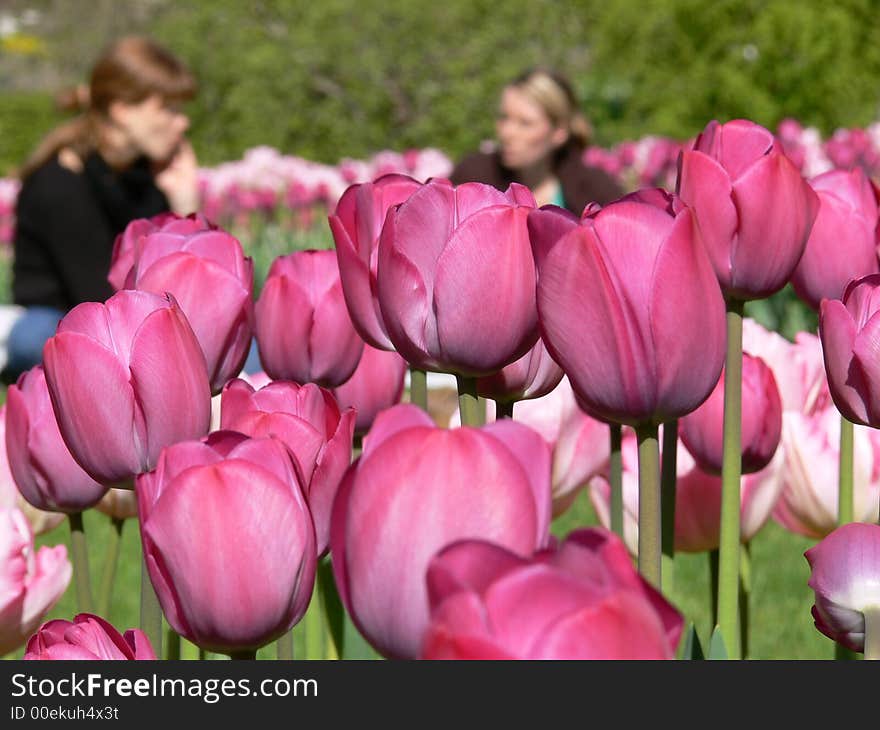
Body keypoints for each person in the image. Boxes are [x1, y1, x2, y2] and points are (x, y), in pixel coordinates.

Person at [5, 35, 199, 381]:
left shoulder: (144, 176)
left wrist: (186, 204)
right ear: (122, 110)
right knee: (37, 337)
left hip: (133, 320)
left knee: (251, 345)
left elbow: (189, 280)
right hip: (61, 317)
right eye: (168, 109)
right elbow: (94, 296)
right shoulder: (60, 184)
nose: (181, 123)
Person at [449, 67, 624, 213]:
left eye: (525, 123)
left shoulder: (595, 192)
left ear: (559, 132)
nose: (507, 133)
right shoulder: (473, 179)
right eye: (504, 118)